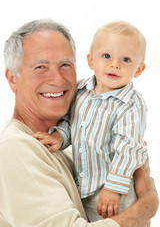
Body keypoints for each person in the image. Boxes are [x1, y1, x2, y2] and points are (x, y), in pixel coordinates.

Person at [0, 19, 158, 227]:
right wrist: (146, 205)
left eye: (65, 64)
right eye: (41, 67)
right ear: (13, 79)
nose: (57, 79)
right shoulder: (15, 149)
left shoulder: (64, 149)